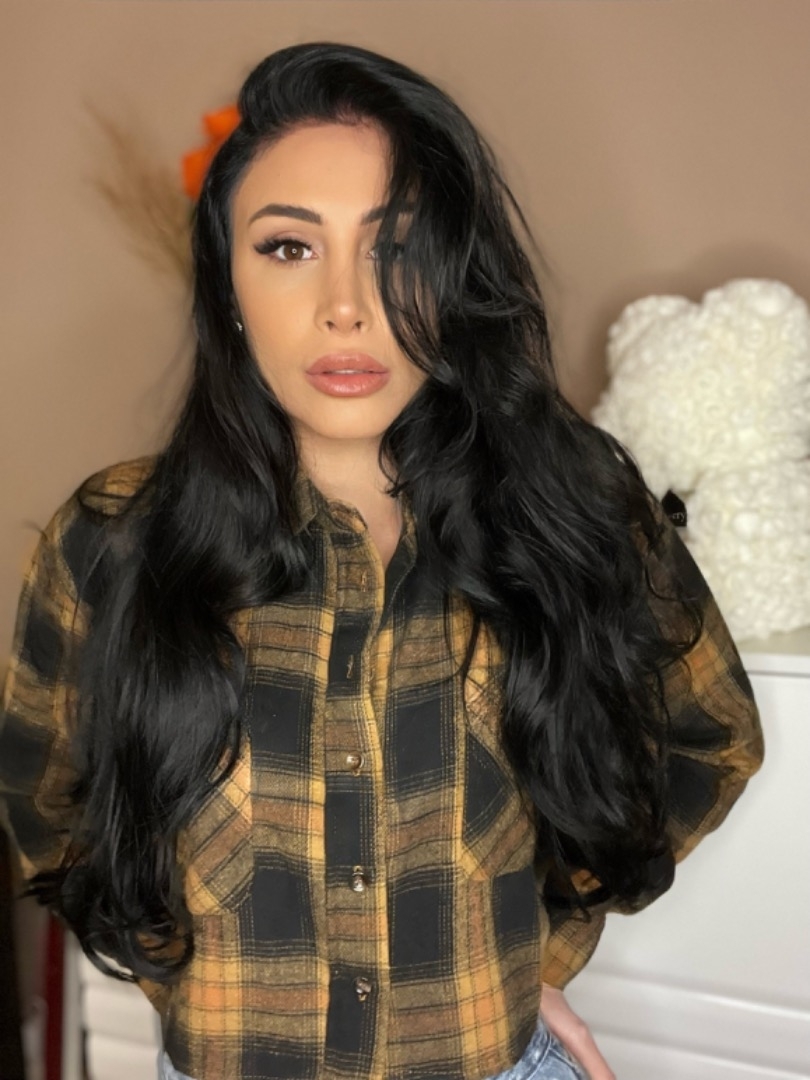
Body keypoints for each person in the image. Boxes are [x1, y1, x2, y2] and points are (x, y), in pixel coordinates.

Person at [0, 42, 763, 1080]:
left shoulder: (569, 508)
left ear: (452, 277)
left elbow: (710, 738)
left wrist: (531, 958)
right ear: (227, 284)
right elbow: (48, 800)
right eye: (287, 247)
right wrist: (182, 972)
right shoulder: (112, 543)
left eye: (396, 246)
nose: (347, 305)